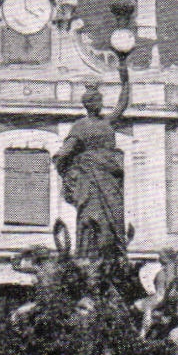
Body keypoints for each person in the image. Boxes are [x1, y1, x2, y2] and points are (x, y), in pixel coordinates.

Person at [53, 49, 135, 259]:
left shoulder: (107, 122)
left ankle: (115, 254)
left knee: (115, 217)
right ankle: (88, 258)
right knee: (92, 218)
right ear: (90, 104)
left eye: (99, 100)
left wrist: (124, 76)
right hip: (91, 181)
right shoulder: (81, 126)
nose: (100, 104)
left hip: (110, 178)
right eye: (96, 101)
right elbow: (65, 152)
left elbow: (122, 103)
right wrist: (66, 170)